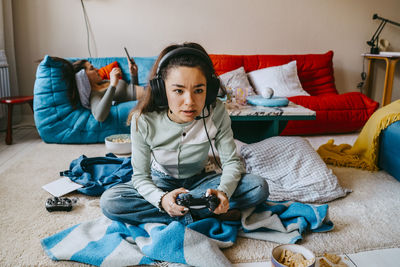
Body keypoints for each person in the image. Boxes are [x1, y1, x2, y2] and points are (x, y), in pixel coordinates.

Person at [100, 42, 269, 226]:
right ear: (161, 90)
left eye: (199, 90)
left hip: (201, 180)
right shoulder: (143, 120)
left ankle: (184, 210)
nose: (189, 101)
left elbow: (231, 162)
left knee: (259, 187)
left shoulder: (217, 111)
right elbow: (140, 177)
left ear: (210, 90)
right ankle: (204, 211)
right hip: (160, 182)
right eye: (178, 90)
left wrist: (223, 192)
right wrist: (162, 199)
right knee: (110, 202)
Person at [71, 56, 145, 122]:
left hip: (148, 90)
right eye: (92, 68)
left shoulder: (103, 82)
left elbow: (131, 90)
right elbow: (99, 116)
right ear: (83, 77)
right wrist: (112, 85)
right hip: (149, 97)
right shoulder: (95, 94)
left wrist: (134, 75)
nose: (97, 69)